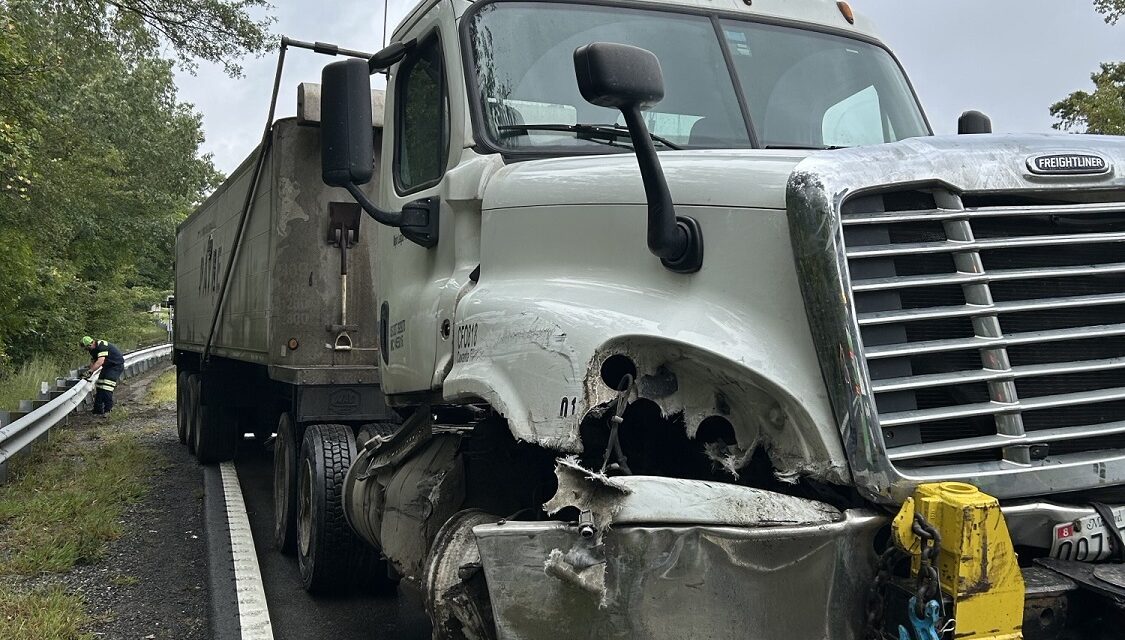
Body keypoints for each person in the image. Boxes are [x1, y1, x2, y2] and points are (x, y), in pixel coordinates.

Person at [80, 336, 124, 415]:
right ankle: (97, 410)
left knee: (107, 387)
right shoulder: (92, 349)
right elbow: (94, 361)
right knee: (100, 386)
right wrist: (89, 371)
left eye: (86, 348)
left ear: (90, 344)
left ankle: (108, 410)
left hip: (115, 365)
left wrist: (90, 371)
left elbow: (100, 361)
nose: (87, 350)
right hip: (107, 366)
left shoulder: (101, 345)